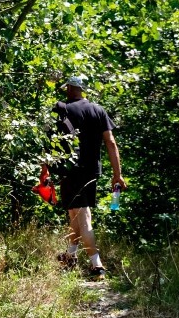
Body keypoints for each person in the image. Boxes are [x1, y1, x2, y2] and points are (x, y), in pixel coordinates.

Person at [54, 76, 126, 280]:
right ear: (82, 90)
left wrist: (45, 170)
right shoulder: (98, 110)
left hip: (69, 169)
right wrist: (117, 174)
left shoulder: (62, 108)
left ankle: (97, 265)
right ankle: (70, 256)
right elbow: (110, 143)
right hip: (92, 170)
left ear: (69, 88)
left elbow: (50, 141)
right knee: (75, 214)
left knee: (83, 216)